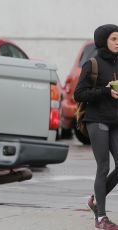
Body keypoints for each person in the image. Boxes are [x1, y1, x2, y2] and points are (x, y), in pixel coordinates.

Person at [74, 24, 118, 230]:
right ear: (103, 41)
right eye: (114, 39)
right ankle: (101, 218)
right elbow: (79, 94)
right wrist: (105, 92)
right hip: (96, 120)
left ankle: (94, 199)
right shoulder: (92, 64)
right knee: (104, 167)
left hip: (116, 121)